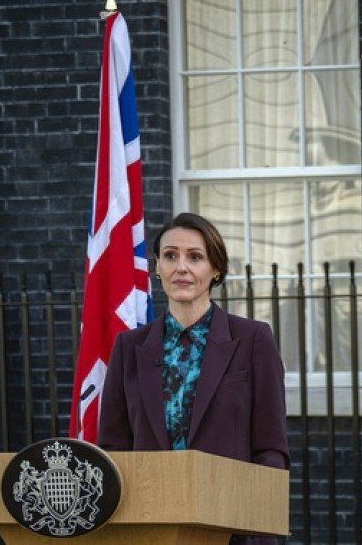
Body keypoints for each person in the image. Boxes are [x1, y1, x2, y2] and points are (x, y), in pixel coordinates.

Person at [99, 212, 290, 542]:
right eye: (170, 256)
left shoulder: (253, 340)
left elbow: (271, 449)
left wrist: (253, 524)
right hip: (150, 528)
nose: (181, 267)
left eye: (195, 257)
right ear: (157, 267)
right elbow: (114, 448)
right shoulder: (129, 347)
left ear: (215, 269)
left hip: (232, 529)